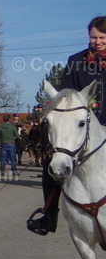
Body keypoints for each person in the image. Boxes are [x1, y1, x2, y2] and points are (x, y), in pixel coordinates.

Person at [28, 15, 106, 235]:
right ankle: (48, 215)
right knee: (52, 163)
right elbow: (65, 94)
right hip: (80, 126)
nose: (97, 42)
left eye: (102, 38)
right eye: (93, 37)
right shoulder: (76, 61)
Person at [0, 113, 19, 178]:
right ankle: (14, 171)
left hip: (3, 144)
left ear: (3, 119)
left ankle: (2, 171)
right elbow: (17, 136)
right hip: (11, 144)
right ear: (9, 119)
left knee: (3, 158)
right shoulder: (12, 127)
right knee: (13, 158)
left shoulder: (0, 127)